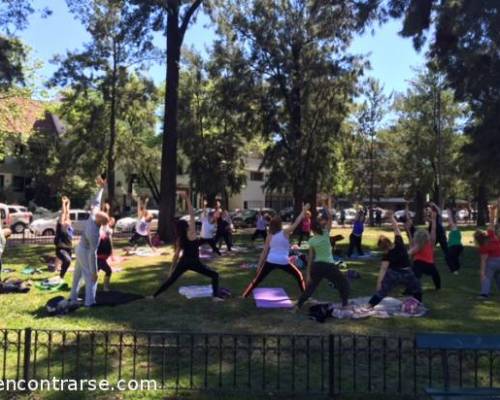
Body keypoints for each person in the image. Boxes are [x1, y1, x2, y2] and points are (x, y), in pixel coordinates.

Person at [152, 193, 223, 301]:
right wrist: (187, 199)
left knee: (171, 280)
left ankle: (153, 296)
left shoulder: (180, 238)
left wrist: (171, 271)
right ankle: (216, 297)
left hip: (183, 262)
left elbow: (176, 256)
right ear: (186, 226)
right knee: (215, 275)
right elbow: (192, 214)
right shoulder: (192, 233)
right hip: (194, 262)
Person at [242, 204, 310, 298]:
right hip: (283, 261)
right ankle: (305, 295)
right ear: (280, 224)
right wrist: (303, 211)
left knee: (257, 280)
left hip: (271, 260)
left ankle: (244, 295)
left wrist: (259, 266)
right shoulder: (285, 232)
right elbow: (296, 223)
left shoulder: (269, 236)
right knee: (299, 275)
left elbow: (264, 252)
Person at [295, 207, 350, 309]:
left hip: (317, 267)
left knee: (310, 288)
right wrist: (326, 208)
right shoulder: (325, 233)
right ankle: (345, 303)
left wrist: (307, 274)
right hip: (328, 266)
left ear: (312, 230)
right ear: (320, 227)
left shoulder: (311, 240)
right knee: (344, 283)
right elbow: (330, 219)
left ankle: (298, 305)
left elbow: (310, 258)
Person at [365, 212, 422, 308]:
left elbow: (383, 270)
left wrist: (379, 284)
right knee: (417, 288)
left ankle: (370, 305)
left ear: (383, 248)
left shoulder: (387, 255)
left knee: (382, 292)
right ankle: (418, 302)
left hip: (394, 274)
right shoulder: (399, 242)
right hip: (407, 271)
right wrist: (391, 218)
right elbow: (396, 228)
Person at [69, 177, 109, 307]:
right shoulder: (95, 234)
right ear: (101, 223)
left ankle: (73, 298)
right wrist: (95, 272)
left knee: (77, 276)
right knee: (90, 279)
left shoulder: (93, 215)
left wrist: (101, 188)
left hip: (79, 249)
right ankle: (90, 302)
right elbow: (93, 255)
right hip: (85, 252)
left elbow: (97, 202)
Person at [408, 210, 441, 290]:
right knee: (434, 275)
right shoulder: (426, 243)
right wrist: (433, 219)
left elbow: (409, 252)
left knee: (416, 275)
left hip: (422, 263)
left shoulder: (422, 244)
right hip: (425, 263)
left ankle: (409, 289)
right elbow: (433, 230)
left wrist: (433, 219)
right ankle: (437, 287)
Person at [475, 203, 500, 299]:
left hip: (492, 262)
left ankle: (484, 294)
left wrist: (482, 273)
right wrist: (492, 212)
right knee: (498, 277)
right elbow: (491, 223)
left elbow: (483, 261)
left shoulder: (482, 247)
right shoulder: (491, 235)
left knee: (488, 277)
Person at [54, 196, 74, 281]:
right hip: (61, 249)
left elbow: (68, 213)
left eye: (69, 220)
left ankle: (61, 277)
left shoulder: (70, 229)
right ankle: (61, 276)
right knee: (68, 261)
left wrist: (68, 203)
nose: (68, 220)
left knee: (67, 263)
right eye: (66, 220)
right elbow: (63, 213)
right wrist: (63, 203)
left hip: (69, 249)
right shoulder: (61, 227)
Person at [427, 202, 451, 268]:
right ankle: (430, 261)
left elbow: (439, 211)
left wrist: (434, 205)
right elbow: (428, 220)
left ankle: (450, 261)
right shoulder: (429, 213)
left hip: (439, 232)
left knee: (445, 248)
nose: (429, 208)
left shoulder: (436, 212)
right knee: (430, 247)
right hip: (432, 230)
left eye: (430, 207)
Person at [97, 217, 114, 292]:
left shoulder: (106, 235)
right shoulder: (101, 232)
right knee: (108, 271)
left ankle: (95, 287)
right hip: (99, 258)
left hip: (101, 258)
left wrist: (111, 253)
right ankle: (105, 287)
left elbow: (110, 244)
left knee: (96, 272)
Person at [446, 208, 463, 275]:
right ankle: (457, 268)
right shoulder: (454, 231)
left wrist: (449, 213)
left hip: (455, 246)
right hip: (457, 247)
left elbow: (451, 221)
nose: (449, 224)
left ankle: (454, 270)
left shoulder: (455, 229)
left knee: (448, 258)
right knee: (454, 258)